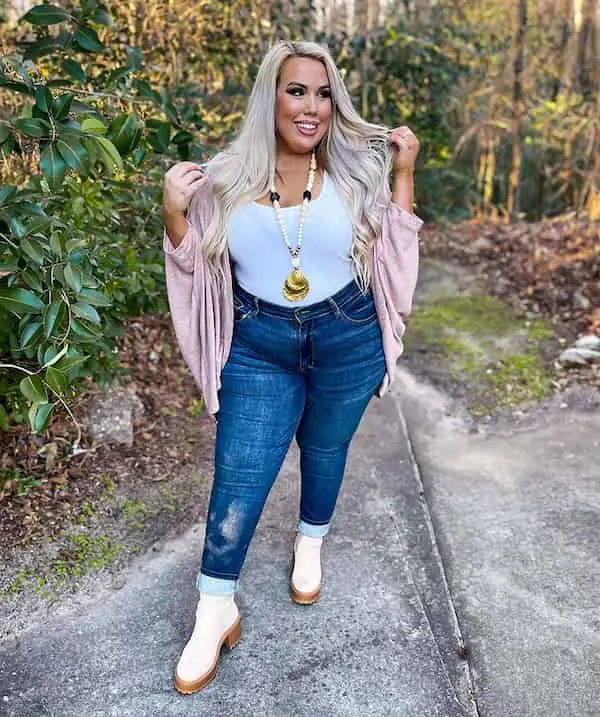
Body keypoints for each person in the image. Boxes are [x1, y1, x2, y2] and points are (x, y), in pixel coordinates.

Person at [162, 39, 423, 695]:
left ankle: (310, 542)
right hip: (259, 344)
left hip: (347, 333)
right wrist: (171, 213)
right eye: (296, 90)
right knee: (240, 468)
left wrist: (406, 171)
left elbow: (397, 236)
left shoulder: (357, 169)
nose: (311, 106)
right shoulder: (221, 179)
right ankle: (215, 606)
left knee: (326, 449)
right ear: (270, 98)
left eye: (323, 92)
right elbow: (193, 265)